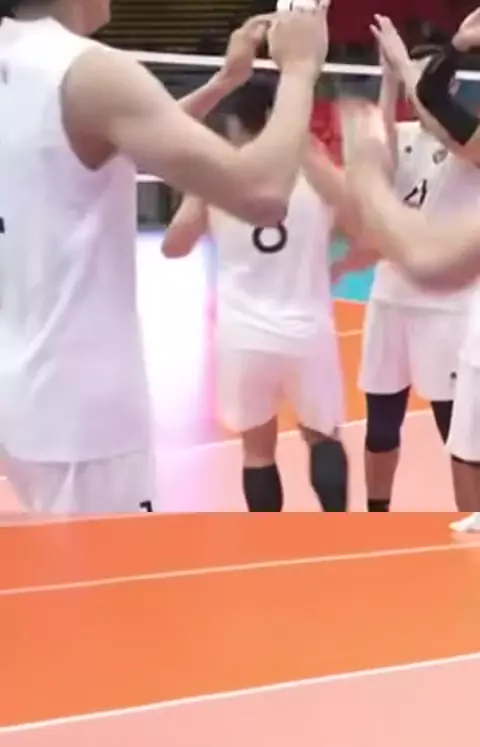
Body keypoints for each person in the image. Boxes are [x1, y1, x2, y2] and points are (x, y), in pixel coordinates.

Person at [0, 0, 329, 515]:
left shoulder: (25, 61)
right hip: (82, 418)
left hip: (20, 392)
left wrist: (222, 83)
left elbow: (107, 134)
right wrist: (300, 69)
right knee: (111, 568)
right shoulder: (86, 69)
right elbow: (262, 194)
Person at [162, 80, 359, 512]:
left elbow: (173, 246)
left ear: (235, 125)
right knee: (323, 436)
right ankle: (341, 533)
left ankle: (269, 540)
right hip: (307, 331)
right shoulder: (315, 174)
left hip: (243, 336)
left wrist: (198, 192)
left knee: (257, 451)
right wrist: (341, 263)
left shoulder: (218, 179)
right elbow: (362, 223)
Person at [340, 10, 480, 515]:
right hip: (392, 297)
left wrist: (410, 66)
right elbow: (379, 164)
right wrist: (387, 81)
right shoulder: (398, 131)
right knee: (380, 425)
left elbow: (440, 119)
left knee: (457, 431)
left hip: (446, 306)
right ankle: (377, 516)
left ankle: (469, 520)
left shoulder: (464, 141)